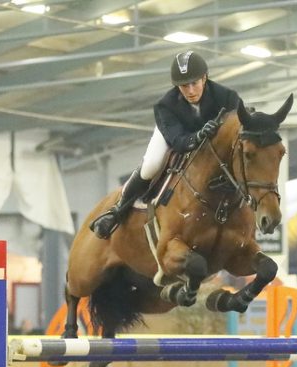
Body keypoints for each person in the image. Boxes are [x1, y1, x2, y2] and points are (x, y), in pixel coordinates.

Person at [90, 51, 243, 239]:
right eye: (183, 86)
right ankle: (118, 210)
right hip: (177, 136)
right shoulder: (166, 106)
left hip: (213, 144)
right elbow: (178, 141)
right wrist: (198, 136)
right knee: (151, 165)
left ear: (204, 78)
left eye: (194, 83)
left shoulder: (228, 98)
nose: (190, 91)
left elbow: (238, 130)